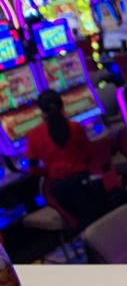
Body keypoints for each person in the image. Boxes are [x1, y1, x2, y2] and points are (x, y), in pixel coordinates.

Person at [26, 89, 108, 228]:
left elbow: (33, 168)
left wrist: (49, 173)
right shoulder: (74, 127)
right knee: (96, 218)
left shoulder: (33, 135)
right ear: (62, 106)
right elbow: (88, 154)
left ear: (41, 110)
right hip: (84, 183)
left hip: (60, 192)